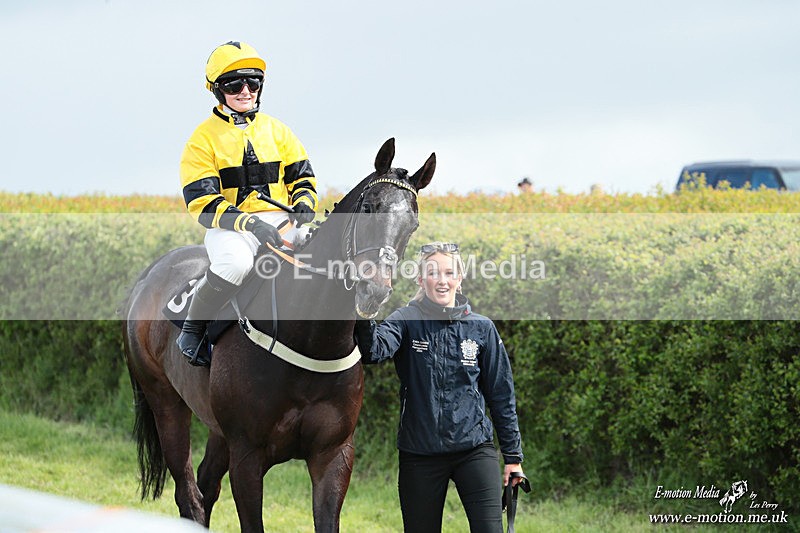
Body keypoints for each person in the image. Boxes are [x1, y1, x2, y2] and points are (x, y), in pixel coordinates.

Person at [354, 242, 525, 533]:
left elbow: (501, 396)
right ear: (421, 280)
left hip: (474, 449)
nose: (442, 280)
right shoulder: (406, 320)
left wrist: (513, 458)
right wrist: (365, 310)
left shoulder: (481, 328)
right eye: (433, 273)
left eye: (449, 273)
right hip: (419, 453)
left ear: (459, 279)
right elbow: (373, 352)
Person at [177, 41, 318, 366]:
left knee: (327, 257)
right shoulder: (201, 140)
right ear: (216, 90)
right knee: (236, 264)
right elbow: (203, 202)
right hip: (230, 227)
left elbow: (303, 177)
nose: (245, 91)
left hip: (284, 221)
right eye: (234, 84)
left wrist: (305, 202)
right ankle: (193, 327)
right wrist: (250, 223)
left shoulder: (279, 131)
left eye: (253, 82)